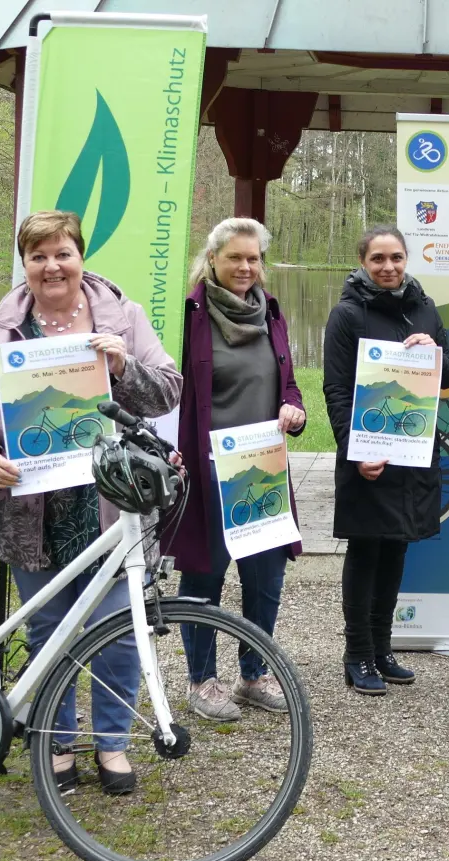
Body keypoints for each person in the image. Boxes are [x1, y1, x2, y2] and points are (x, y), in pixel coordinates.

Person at [0, 210, 182, 795]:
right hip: (28, 504)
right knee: (48, 628)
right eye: (38, 256)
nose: (52, 266)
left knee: (116, 627)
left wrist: (124, 364)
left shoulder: (121, 316)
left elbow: (169, 388)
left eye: (62, 253)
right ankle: (55, 743)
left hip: (108, 500)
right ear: (25, 264)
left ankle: (112, 743)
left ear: (81, 256)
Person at [165, 218, 306, 723]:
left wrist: (295, 407)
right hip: (205, 473)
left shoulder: (270, 313)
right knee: (204, 577)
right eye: (235, 258)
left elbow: (287, 381)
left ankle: (253, 673)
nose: (246, 267)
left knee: (265, 578)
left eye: (254, 259)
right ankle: (202, 681)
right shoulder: (188, 316)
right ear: (213, 259)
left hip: (262, 468)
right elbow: (165, 389)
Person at [322, 225, 449, 695]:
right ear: (363, 262)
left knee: (397, 548)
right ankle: (357, 655)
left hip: (413, 452)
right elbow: (336, 389)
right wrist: (354, 451)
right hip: (368, 456)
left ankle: (383, 649)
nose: (388, 267)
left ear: (406, 259)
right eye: (378, 259)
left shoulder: (424, 307)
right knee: (365, 552)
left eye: (396, 258)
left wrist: (436, 354)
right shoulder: (346, 315)